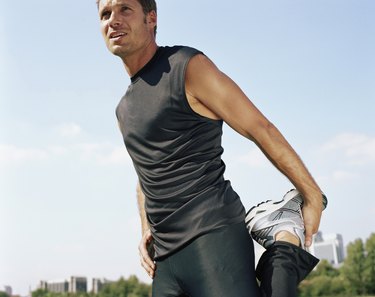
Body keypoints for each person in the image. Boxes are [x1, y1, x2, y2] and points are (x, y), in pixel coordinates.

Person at [97, 0, 327, 296]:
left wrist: (312, 196)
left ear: (151, 18)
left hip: (212, 238)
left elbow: (259, 127)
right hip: (166, 260)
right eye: (105, 14)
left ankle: (285, 241)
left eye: (125, 9)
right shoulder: (123, 110)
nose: (113, 20)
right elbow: (144, 175)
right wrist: (145, 228)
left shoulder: (186, 66)